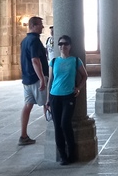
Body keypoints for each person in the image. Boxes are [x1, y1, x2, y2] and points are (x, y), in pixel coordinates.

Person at [46, 34, 87, 165]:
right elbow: (50, 81)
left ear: (70, 46)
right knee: (57, 126)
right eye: (60, 44)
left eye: (65, 44)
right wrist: (47, 100)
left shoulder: (75, 60)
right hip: (54, 96)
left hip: (68, 96)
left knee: (65, 123)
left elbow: (84, 76)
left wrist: (78, 88)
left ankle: (72, 153)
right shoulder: (54, 61)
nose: (63, 46)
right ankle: (63, 156)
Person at [19, 15, 48, 146]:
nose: (42, 27)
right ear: (34, 26)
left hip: (27, 79)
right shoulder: (34, 41)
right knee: (47, 103)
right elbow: (35, 60)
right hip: (36, 79)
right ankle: (54, 133)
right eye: (40, 25)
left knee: (28, 105)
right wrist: (41, 78)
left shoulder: (24, 41)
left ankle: (23, 135)